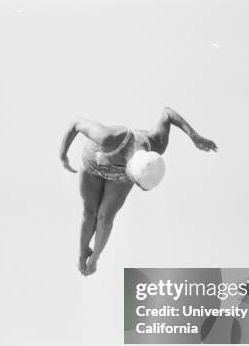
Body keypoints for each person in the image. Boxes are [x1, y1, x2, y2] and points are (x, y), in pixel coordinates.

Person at [59, 107, 217, 276]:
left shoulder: (157, 143)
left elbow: (167, 114)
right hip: (94, 160)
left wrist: (194, 136)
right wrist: (63, 155)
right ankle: (82, 252)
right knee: (90, 212)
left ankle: (95, 258)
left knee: (105, 219)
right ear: (131, 171)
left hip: (121, 174)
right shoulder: (110, 138)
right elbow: (76, 123)